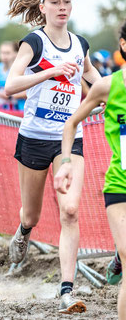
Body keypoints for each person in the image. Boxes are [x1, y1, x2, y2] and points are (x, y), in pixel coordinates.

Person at [4, 0, 101, 314]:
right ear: (43, 7)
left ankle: (66, 290)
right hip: (33, 137)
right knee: (31, 213)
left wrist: (112, 92)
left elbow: (94, 79)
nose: (62, 7)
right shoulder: (34, 42)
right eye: (55, 2)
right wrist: (50, 72)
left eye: (67, 2)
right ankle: (24, 230)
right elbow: (9, 86)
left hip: (69, 138)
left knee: (70, 211)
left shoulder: (80, 45)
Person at [54, 21, 126, 319]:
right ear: (124, 46)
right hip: (120, 186)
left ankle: (118, 257)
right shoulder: (108, 86)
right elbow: (71, 123)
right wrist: (66, 162)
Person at [0, 41, 25, 110]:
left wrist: (11, 96)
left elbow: (28, 92)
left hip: (17, 110)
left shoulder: (21, 69)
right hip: (0, 109)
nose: (4, 56)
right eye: (2, 53)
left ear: (16, 53)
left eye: (7, 53)